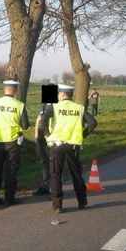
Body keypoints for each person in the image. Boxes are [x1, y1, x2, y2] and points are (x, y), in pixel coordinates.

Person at [41, 84, 97, 213]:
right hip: (73, 146)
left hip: (57, 145)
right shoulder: (79, 108)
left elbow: (43, 121)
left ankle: (57, 205)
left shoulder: (53, 106)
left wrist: (47, 134)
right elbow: (93, 123)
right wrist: (83, 135)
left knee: (56, 174)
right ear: (70, 95)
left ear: (61, 94)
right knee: (76, 174)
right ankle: (82, 202)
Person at [0, 80, 29, 206]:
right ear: (15, 90)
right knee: (10, 171)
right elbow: (25, 125)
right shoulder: (19, 105)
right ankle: (9, 199)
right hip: (13, 142)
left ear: (4, 89)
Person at [32, 104, 51, 195]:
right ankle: (45, 186)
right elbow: (39, 118)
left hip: (50, 138)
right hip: (40, 137)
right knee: (44, 162)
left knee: (54, 163)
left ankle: (55, 189)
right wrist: (36, 134)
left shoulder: (57, 106)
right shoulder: (43, 105)